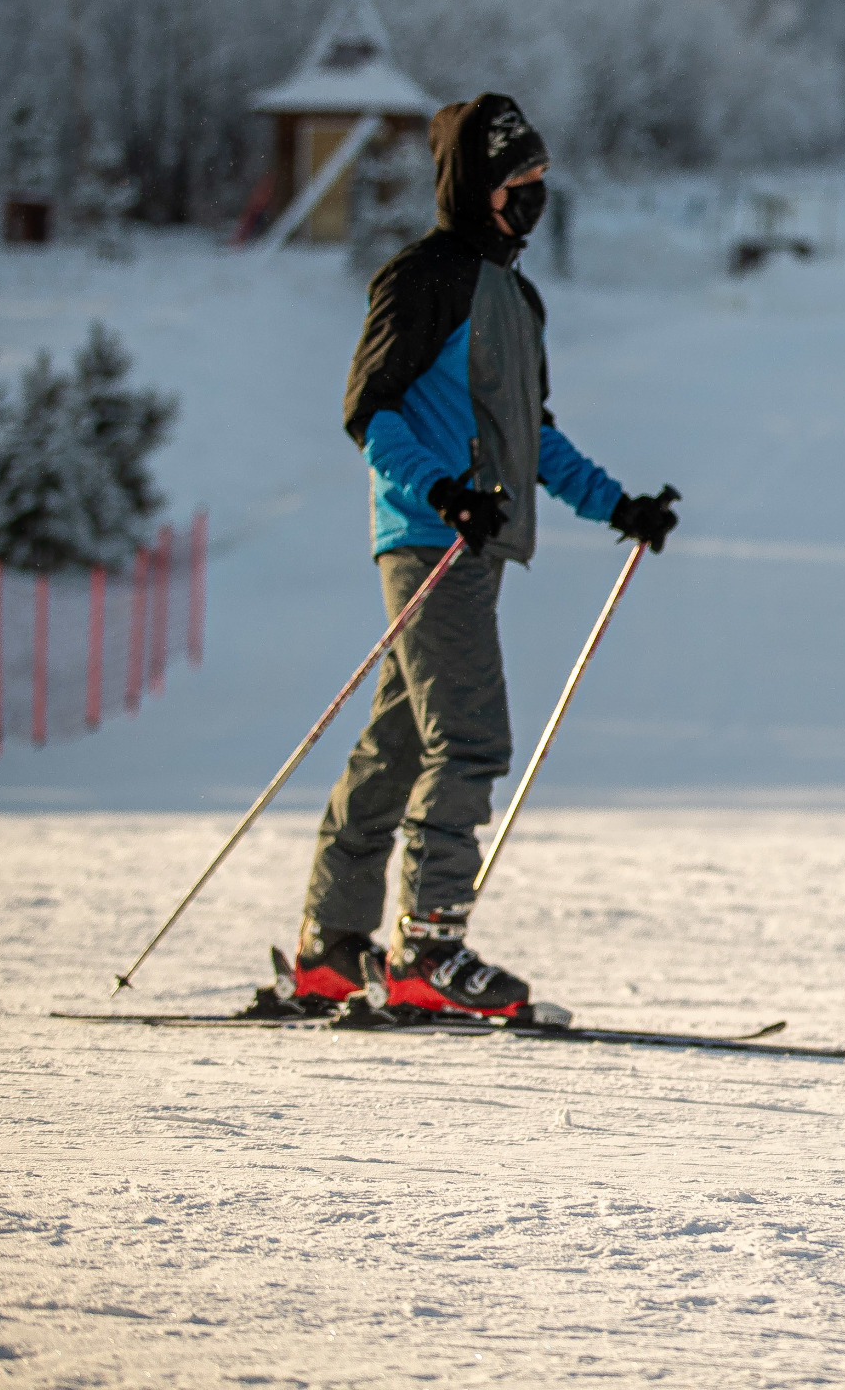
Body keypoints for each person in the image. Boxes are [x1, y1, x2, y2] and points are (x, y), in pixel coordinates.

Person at [290, 94, 681, 1017]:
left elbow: (528, 436)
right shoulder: (423, 277)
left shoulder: (518, 297)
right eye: (517, 186)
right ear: (476, 188)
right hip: (430, 539)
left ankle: (333, 949)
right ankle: (429, 949)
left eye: (542, 186)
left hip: (478, 543)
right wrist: (443, 492)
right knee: (468, 736)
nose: (531, 203)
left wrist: (616, 503)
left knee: (401, 739)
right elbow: (370, 410)